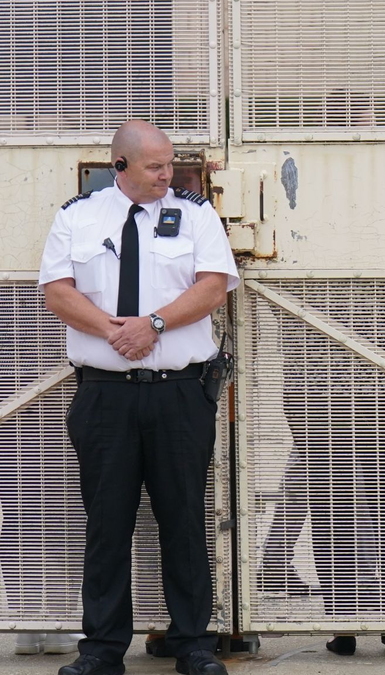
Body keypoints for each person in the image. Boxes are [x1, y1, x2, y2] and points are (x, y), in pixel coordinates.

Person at [38, 120, 240, 675]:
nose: (167, 175)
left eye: (170, 164)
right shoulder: (78, 216)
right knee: (107, 524)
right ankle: (102, 651)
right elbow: (58, 290)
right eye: (155, 166)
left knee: (183, 519)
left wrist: (151, 324)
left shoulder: (195, 214)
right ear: (120, 166)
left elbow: (212, 284)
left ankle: (193, 644)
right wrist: (114, 331)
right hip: (106, 397)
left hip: (179, 393)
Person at [265, 278, 385, 657]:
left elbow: (272, 307)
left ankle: (344, 620)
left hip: (315, 390)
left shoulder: (296, 268)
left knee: (331, 505)